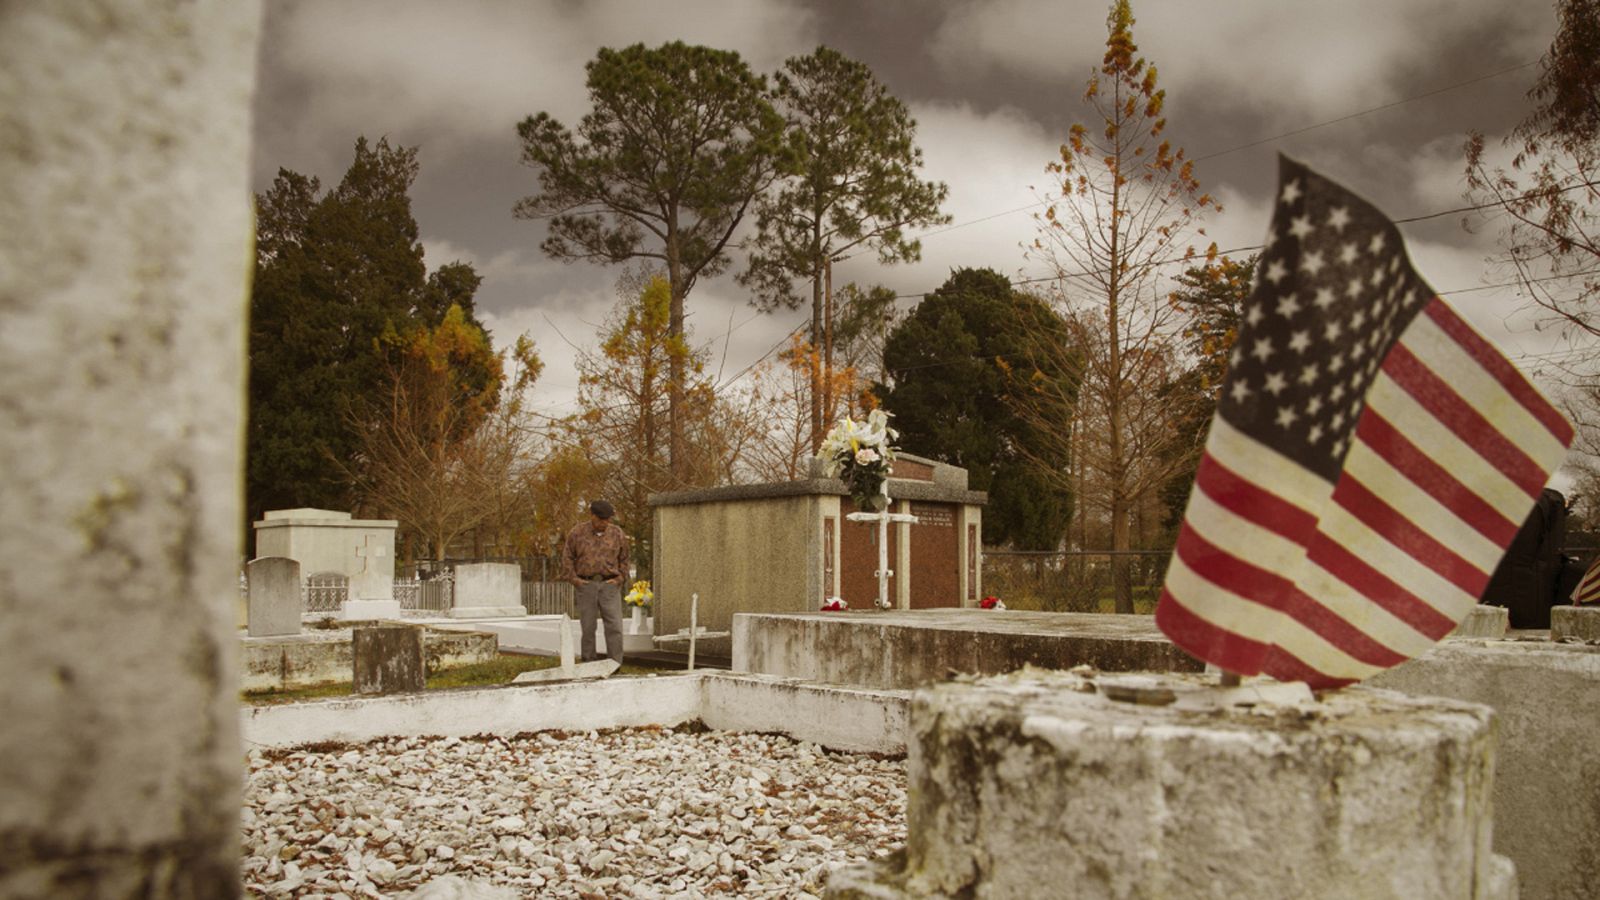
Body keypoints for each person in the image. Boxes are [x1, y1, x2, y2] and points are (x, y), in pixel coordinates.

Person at [561, 499, 630, 663]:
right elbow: (567, 557)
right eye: (601, 519)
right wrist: (575, 580)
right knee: (588, 627)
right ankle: (589, 661)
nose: (604, 523)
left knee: (614, 626)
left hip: (610, 585)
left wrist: (620, 578)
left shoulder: (617, 533)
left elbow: (625, 558)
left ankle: (615, 663)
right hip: (586, 585)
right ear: (592, 516)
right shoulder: (577, 533)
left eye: (607, 519)